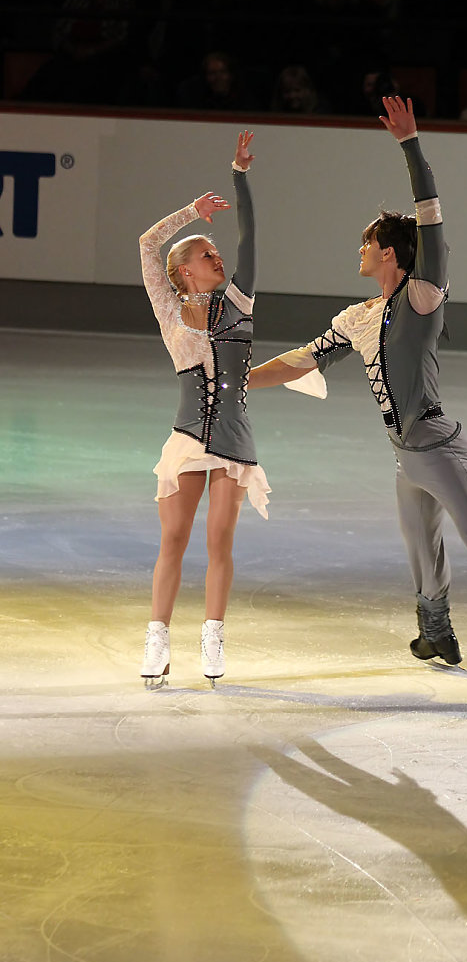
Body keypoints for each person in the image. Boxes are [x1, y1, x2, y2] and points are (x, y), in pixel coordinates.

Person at [248, 96, 467, 710]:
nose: (359, 248)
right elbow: (300, 360)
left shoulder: (422, 298)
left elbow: (432, 224)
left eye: (367, 241)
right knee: (420, 546)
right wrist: (238, 380)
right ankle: (439, 637)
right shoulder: (358, 317)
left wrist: (411, 145)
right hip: (408, 455)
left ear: (390, 253)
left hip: (439, 446)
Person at [138, 131, 270, 689]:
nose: (216, 256)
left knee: (220, 541)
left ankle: (212, 636)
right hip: (189, 438)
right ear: (183, 271)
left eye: (215, 251)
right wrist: (191, 212)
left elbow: (250, 235)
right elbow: (148, 244)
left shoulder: (238, 301)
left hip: (235, 441)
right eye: (204, 254)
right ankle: (157, 637)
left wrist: (239, 176)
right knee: (174, 540)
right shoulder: (170, 312)